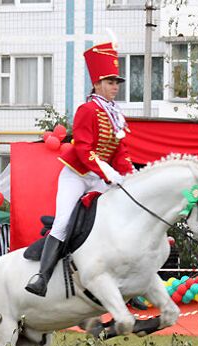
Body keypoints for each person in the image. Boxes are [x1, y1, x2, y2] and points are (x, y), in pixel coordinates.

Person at [25, 41, 135, 297]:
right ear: (97, 84)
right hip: (77, 175)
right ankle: (42, 277)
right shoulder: (87, 110)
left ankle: (125, 282)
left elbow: (120, 151)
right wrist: (108, 172)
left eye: (117, 82)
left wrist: (131, 176)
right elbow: (84, 149)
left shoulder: (115, 114)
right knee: (63, 222)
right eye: (110, 82)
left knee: (117, 220)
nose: (115, 87)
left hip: (100, 176)